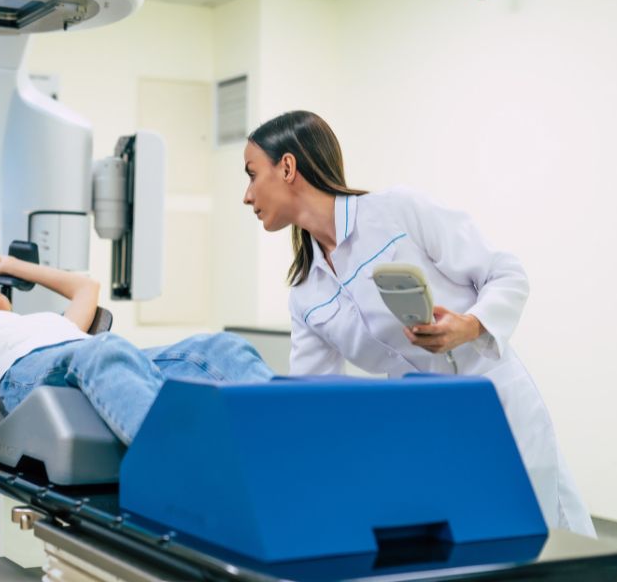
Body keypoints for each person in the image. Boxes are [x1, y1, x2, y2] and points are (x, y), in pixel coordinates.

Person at [241, 110, 594, 537]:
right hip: (425, 430)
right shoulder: (306, 292)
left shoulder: (396, 211)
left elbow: (506, 274)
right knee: (470, 556)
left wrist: (470, 325)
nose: (247, 196)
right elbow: (313, 398)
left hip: (497, 406)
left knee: (550, 548)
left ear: (288, 167)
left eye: (251, 174)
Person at [0, 252, 274, 444]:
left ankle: (283, 438)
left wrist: (9, 265)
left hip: (92, 360)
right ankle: (172, 469)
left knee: (219, 348)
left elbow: (86, 288)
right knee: (105, 350)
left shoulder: (48, 322)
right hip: (31, 378)